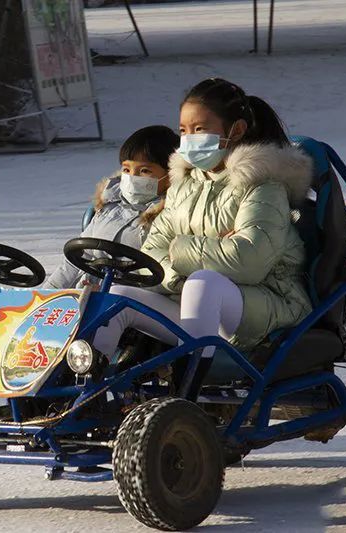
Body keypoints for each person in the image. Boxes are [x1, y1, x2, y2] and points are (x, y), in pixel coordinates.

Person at [92, 78, 314, 386]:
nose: (188, 139)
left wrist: (180, 249)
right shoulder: (184, 185)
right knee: (117, 298)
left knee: (204, 282)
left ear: (234, 131)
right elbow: (151, 254)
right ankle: (84, 393)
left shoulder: (263, 187)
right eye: (183, 131)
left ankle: (187, 395)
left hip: (267, 305)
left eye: (199, 130)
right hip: (194, 301)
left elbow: (247, 261)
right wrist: (185, 271)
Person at [44, 125, 179, 289]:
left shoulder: (173, 213)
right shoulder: (110, 205)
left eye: (144, 171)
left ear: (170, 173)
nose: (132, 177)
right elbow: (78, 258)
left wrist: (109, 288)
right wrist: (46, 295)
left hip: (137, 298)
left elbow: (165, 274)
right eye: (127, 169)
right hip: (91, 293)